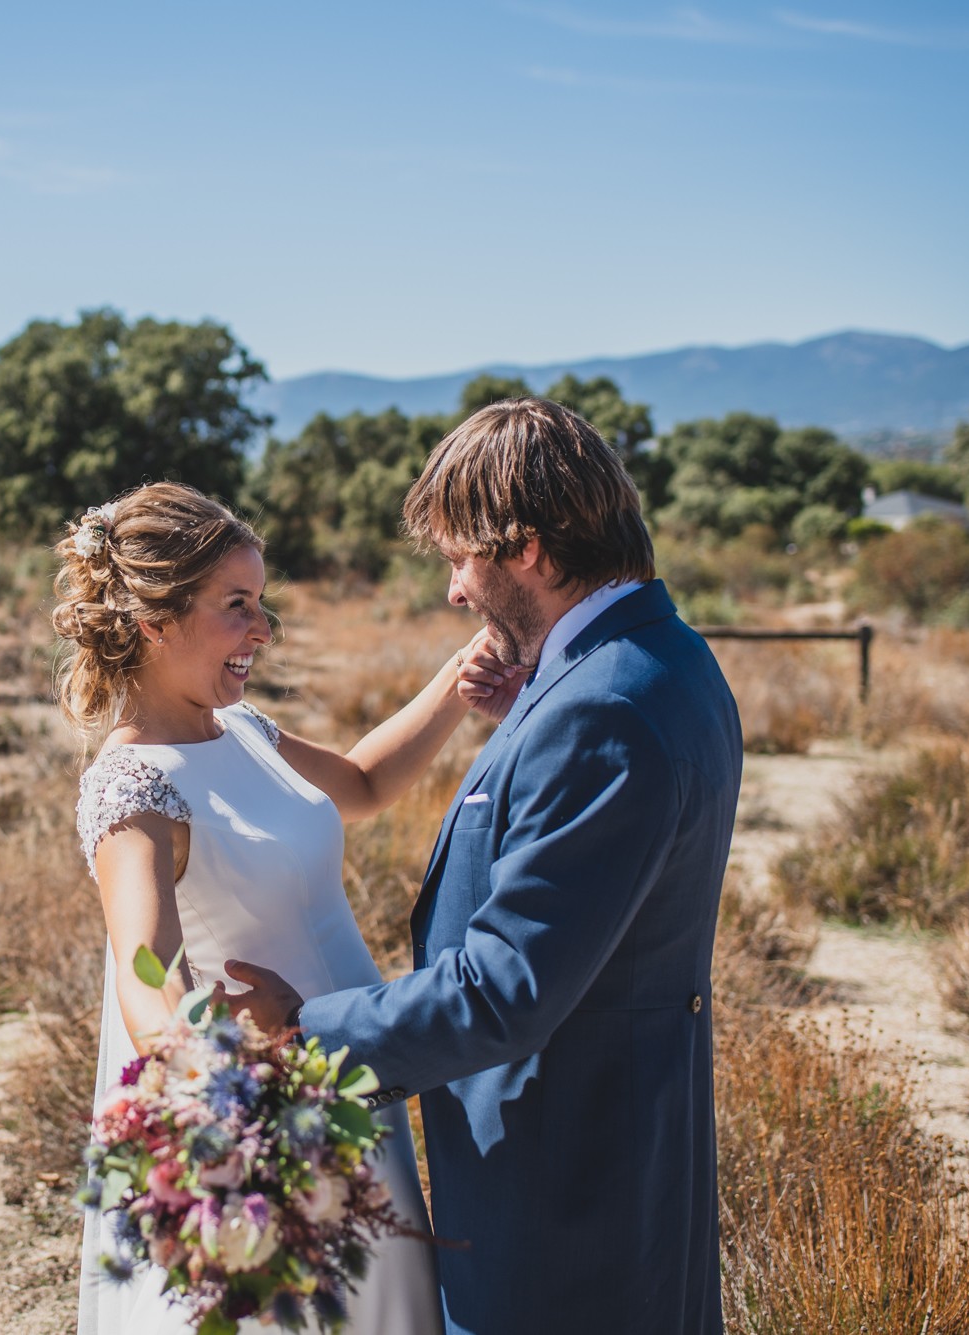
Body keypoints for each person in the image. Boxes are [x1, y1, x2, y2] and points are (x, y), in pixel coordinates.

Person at [223, 399, 743, 1335]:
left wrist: (304, 1028)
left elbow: (505, 985)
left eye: (463, 558)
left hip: (564, 1186)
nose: (457, 590)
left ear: (529, 550)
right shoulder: (662, 660)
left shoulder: (601, 710)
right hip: (610, 1150)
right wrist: (529, 715)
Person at [59, 481, 517, 1335]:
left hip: (356, 1065)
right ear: (154, 620)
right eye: (238, 607)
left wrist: (461, 677)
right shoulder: (135, 790)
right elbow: (141, 959)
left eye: (262, 604)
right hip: (278, 1112)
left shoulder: (242, 732)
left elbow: (367, 782)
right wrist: (204, 1082)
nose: (263, 631)